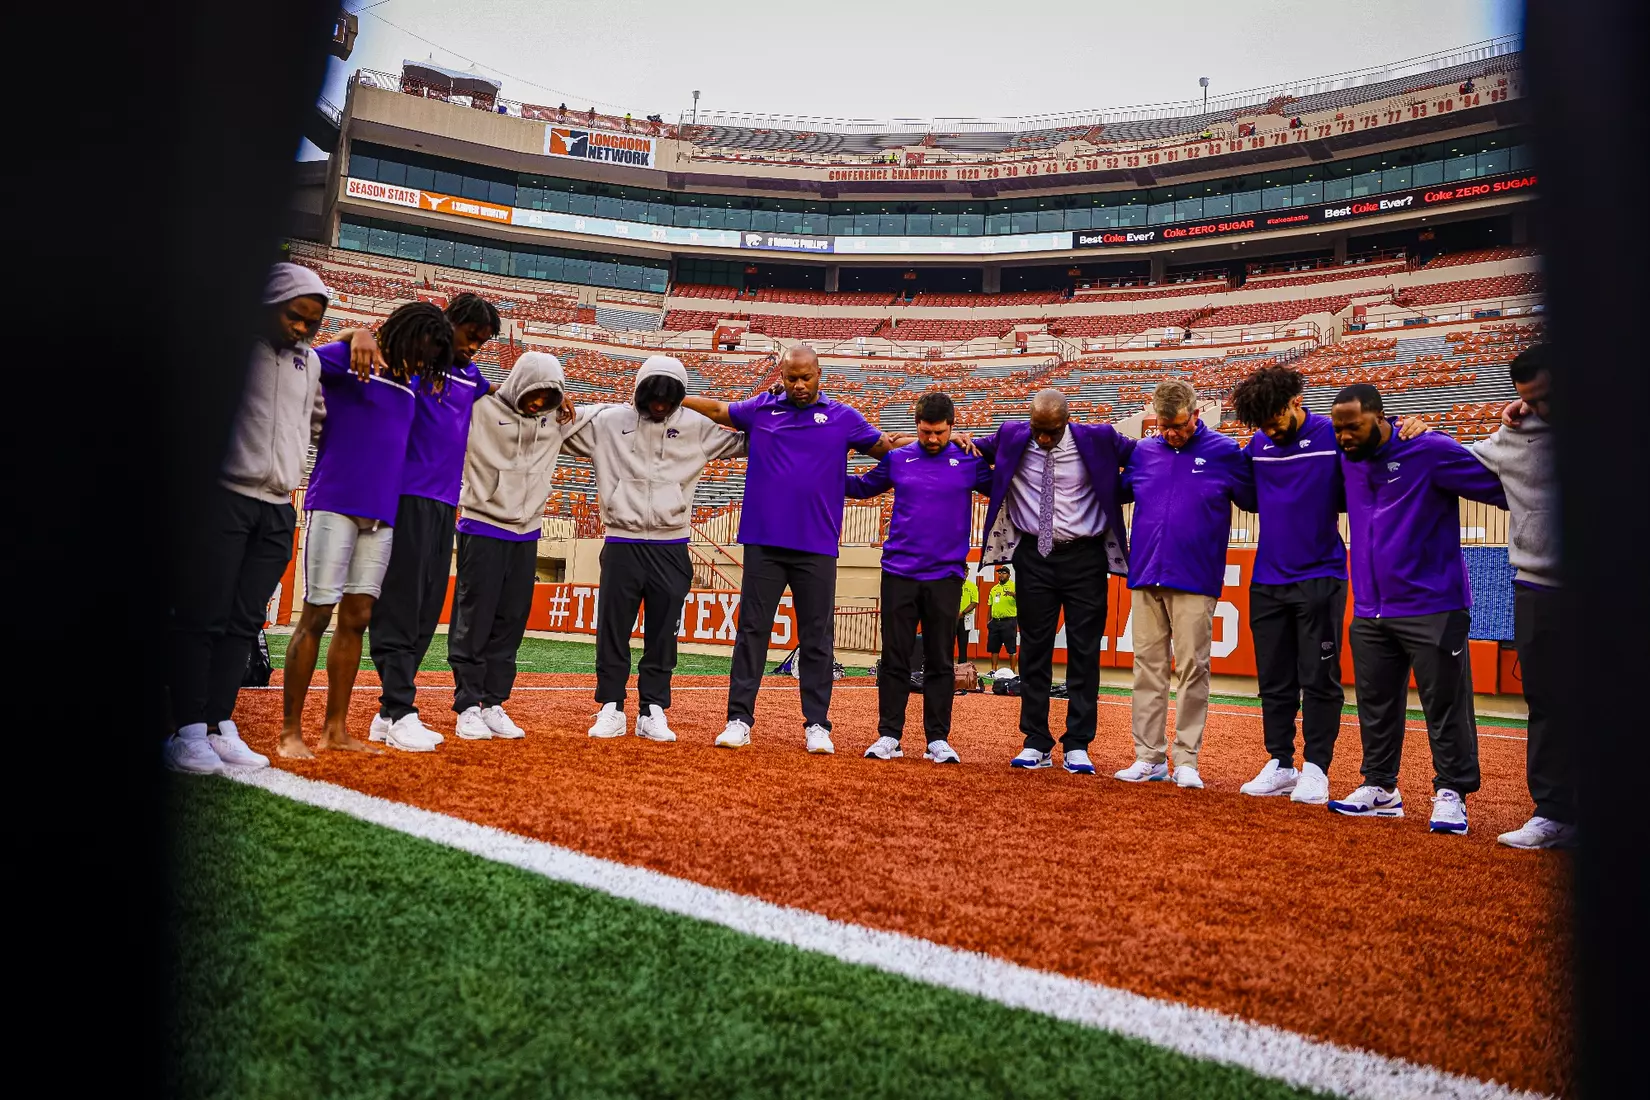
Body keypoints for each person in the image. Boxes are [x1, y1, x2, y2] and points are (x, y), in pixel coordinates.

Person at [681, 345, 895, 754]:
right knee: (752, 633)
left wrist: (854, 486)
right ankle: (738, 720)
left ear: (819, 373)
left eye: (806, 377)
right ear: (782, 376)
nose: (799, 385)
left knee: (817, 638)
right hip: (763, 542)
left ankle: (817, 725)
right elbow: (717, 411)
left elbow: (889, 452)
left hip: (816, 546)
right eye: (791, 378)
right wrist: (672, 392)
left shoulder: (843, 418)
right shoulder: (761, 409)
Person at [163, 262, 330, 775]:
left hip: (278, 506)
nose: (302, 328)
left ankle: (220, 725)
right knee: (203, 616)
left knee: (243, 622)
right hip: (225, 497)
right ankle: (185, 730)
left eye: (311, 323)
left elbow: (318, 421)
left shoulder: (311, 364)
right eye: (294, 316)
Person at [1326, 384, 1508, 834]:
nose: (1345, 436)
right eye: (1338, 428)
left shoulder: (1428, 450)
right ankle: (1381, 787)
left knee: (1445, 705)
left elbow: (1503, 489)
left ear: (1380, 416)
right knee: (1375, 704)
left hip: (1434, 605)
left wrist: (1441, 432)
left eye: (1353, 426)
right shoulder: (1347, 459)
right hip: (1370, 610)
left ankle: (1452, 792)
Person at [279, 303, 452, 759]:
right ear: (400, 334)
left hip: (383, 515)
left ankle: (335, 729)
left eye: (431, 356)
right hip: (334, 502)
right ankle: (290, 732)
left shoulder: (414, 383)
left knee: (356, 620)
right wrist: (354, 331)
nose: (423, 362)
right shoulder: (352, 357)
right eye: (421, 349)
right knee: (316, 615)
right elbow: (301, 358)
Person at [341, 293, 503, 751]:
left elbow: (504, 394)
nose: (475, 347)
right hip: (403, 498)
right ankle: (401, 707)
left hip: (445, 505)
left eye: (483, 342)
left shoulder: (470, 375)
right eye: (471, 336)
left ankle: (387, 713)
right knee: (399, 607)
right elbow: (368, 345)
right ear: (447, 322)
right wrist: (359, 331)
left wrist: (558, 397)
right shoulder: (411, 363)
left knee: (427, 611)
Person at [565, 355, 748, 742]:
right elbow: (556, 430)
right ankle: (611, 706)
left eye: (670, 396)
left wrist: (769, 409)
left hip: (672, 543)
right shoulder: (608, 421)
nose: (661, 403)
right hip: (622, 540)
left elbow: (748, 441)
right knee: (613, 629)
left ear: (681, 396)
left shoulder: (696, 426)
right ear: (637, 391)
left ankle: (653, 709)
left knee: (663, 633)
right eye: (653, 394)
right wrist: (566, 406)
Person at [974, 388, 1134, 775]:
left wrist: (1115, 492)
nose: (1043, 439)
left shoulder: (1099, 437)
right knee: (1034, 651)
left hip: (1085, 557)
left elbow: (1143, 460)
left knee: (1084, 653)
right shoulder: (1012, 434)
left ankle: (1078, 743)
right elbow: (975, 451)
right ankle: (1035, 741)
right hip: (1034, 555)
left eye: (1052, 431)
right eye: (1038, 430)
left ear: (1067, 421)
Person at [1116, 379, 1255, 790]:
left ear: (1196, 415)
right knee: (1147, 668)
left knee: (1194, 668)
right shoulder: (1143, 452)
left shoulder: (1226, 453)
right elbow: (1115, 492)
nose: (1170, 432)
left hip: (1196, 578)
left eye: (1177, 424)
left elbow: (1255, 498)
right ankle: (1148, 757)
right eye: (1163, 425)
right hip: (1145, 575)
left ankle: (1187, 759)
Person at [448, 352, 587, 742]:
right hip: (481, 526)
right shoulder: (480, 408)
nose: (538, 402)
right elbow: (454, 386)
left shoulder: (555, 419)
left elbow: (606, 421)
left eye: (548, 395)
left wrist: (561, 400)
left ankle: (493, 702)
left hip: (527, 534)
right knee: (475, 619)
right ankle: (467, 704)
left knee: (510, 622)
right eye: (534, 392)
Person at [847, 392, 992, 764]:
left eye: (940, 433)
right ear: (916, 426)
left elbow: (1003, 481)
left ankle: (937, 739)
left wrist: (983, 445)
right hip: (899, 572)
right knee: (894, 656)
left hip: (946, 575)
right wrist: (822, 472)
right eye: (926, 431)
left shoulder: (968, 460)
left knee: (940, 659)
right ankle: (889, 735)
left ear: (953, 427)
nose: (932, 439)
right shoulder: (898, 458)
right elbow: (863, 487)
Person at [1474, 347, 1572, 849]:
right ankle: (1554, 813)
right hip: (1539, 589)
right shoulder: (1515, 434)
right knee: (1549, 703)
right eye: (1531, 400)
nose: (1543, 408)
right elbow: (1456, 463)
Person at [985, 564, 1018, 674]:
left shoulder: (1014, 586)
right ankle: (993, 670)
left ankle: (1012, 672)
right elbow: (990, 605)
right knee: (994, 648)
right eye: (999, 572)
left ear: (1009, 575)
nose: (1001, 574)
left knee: (1011, 648)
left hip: (1008, 621)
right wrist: (988, 621)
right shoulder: (994, 589)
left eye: (1003, 573)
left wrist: (1013, 594)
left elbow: (1023, 600)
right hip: (995, 621)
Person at [956, 573, 979, 665]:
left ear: (968, 573)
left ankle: (962, 666)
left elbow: (974, 602)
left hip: (965, 618)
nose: (964, 573)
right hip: (951, 618)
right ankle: (947, 665)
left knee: (963, 643)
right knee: (948, 643)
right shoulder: (953, 584)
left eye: (966, 571)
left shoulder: (971, 586)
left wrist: (962, 613)